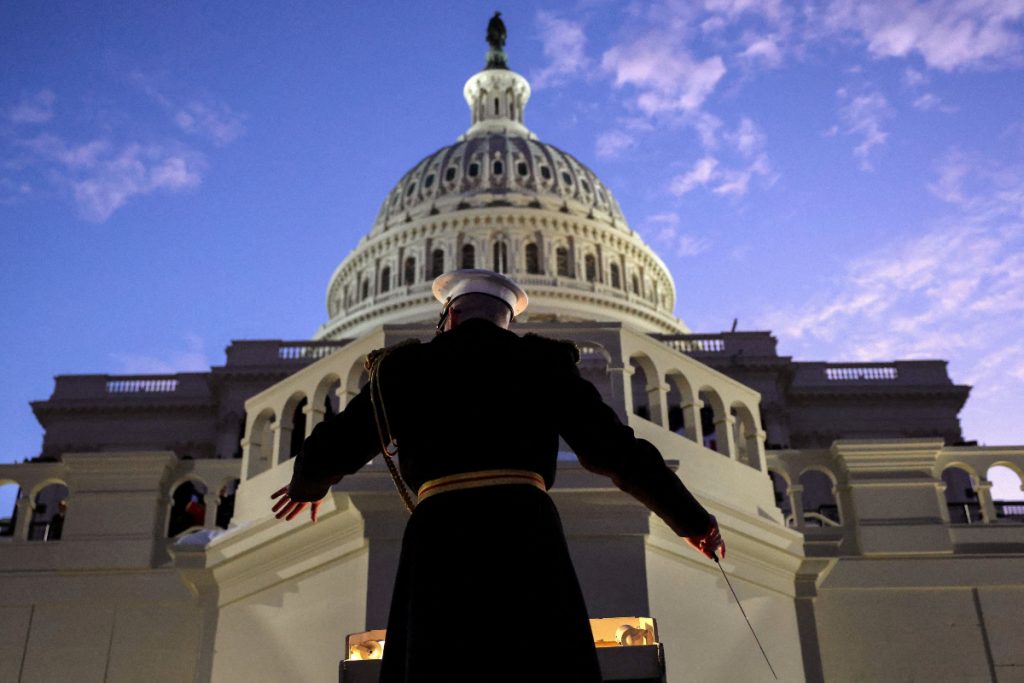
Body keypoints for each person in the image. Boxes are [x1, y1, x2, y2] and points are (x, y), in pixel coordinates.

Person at [271, 269, 724, 683]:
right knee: (537, 660)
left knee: (439, 660)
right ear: (505, 319)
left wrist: (307, 485)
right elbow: (616, 450)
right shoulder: (542, 362)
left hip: (440, 533)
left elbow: (340, 439)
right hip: (525, 528)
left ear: (452, 313)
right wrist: (691, 521)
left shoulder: (406, 368)